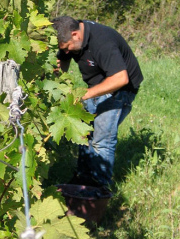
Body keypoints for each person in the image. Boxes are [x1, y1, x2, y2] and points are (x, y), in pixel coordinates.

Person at [51, 16, 144, 188]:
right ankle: (83, 180)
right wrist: (53, 83)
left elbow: (120, 78)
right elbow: (62, 61)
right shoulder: (70, 38)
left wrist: (85, 95)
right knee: (85, 134)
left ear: (75, 35)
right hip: (96, 86)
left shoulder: (102, 42)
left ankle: (99, 188)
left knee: (101, 139)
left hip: (120, 89)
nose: (65, 52)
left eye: (67, 47)